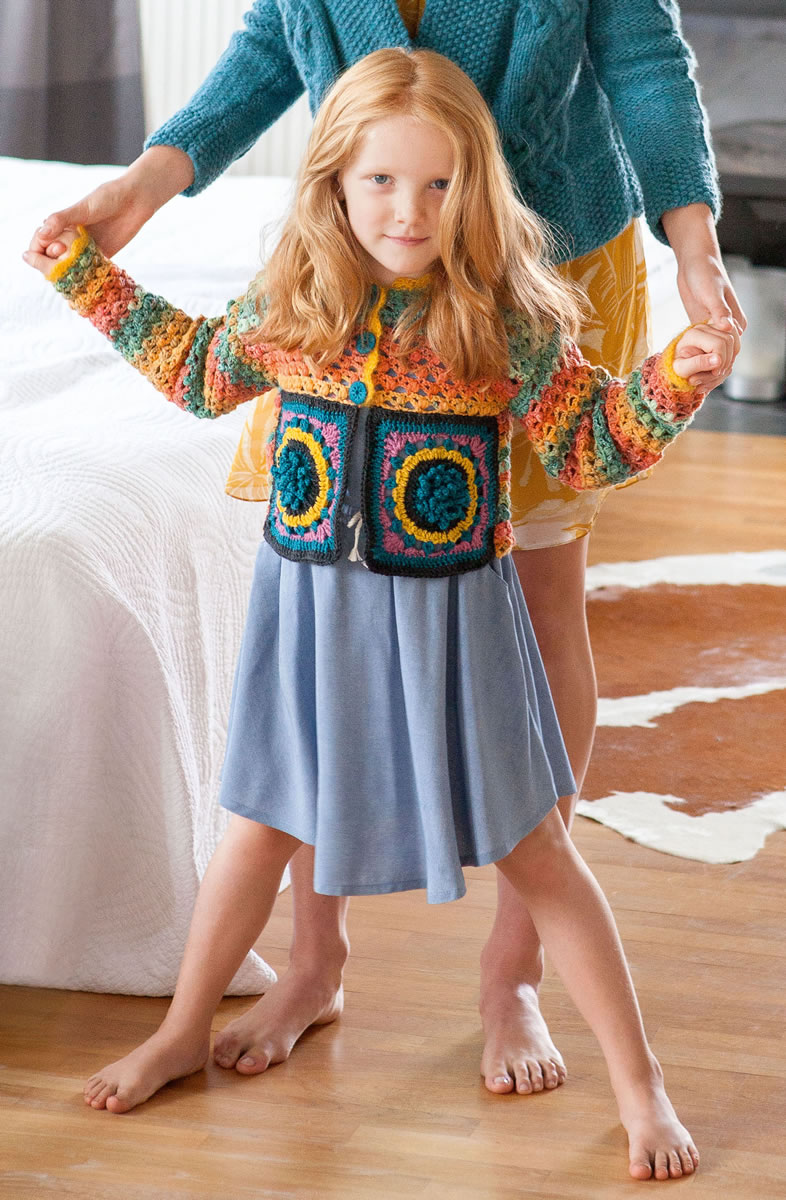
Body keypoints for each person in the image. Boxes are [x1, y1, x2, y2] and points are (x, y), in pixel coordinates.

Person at [26, 48, 734, 1178]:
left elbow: (593, 444)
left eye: (439, 184)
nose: (410, 211)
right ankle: (180, 1030)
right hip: (309, 619)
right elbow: (199, 372)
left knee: (538, 849)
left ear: (476, 188)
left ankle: (641, 1083)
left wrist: (679, 375)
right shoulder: (297, 304)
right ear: (335, 186)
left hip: (459, 631)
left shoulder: (505, 318)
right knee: (257, 829)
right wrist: (86, 274)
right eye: (382, 182)